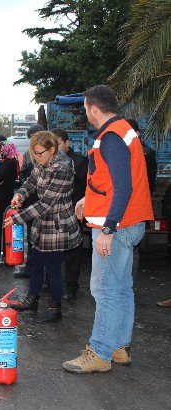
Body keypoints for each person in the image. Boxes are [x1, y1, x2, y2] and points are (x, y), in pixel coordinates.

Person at [63, 85, 153, 373]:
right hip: (130, 222)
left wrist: (108, 229)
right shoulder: (122, 131)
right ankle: (119, 346)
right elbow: (110, 182)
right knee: (122, 288)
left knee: (105, 290)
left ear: (93, 108)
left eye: (86, 108)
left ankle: (99, 352)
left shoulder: (110, 137)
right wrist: (86, 201)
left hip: (117, 226)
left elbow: (123, 187)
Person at [3, 132, 82, 322]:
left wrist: (18, 218)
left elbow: (46, 203)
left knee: (53, 267)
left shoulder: (62, 168)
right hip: (41, 221)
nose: (36, 157)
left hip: (57, 224)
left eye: (40, 153)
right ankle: (32, 299)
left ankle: (56, 306)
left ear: (52, 149)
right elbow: (29, 182)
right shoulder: (41, 162)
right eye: (34, 153)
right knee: (36, 263)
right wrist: (20, 194)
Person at [51, 128, 88, 301]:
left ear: (67, 143)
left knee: (73, 252)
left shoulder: (79, 162)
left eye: (58, 143)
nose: (55, 148)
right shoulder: (46, 161)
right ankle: (50, 282)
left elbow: (88, 187)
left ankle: (71, 286)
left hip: (72, 212)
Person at [13, 123, 45, 278]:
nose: (34, 141)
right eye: (31, 138)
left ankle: (44, 274)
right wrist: (20, 195)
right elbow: (26, 179)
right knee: (32, 237)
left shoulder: (52, 154)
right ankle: (31, 266)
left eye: (35, 137)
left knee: (46, 240)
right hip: (31, 201)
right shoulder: (28, 154)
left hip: (46, 204)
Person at [0, 141, 19, 264]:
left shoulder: (10, 163)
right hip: (2, 197)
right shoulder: (7, 162)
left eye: (1, 149)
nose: (0, 152)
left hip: (2, 199)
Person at [126, 119, 157, 197]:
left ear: (137, 134)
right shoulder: (119, 151)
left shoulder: (147, 154)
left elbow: (150, 182)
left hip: (139, 198)